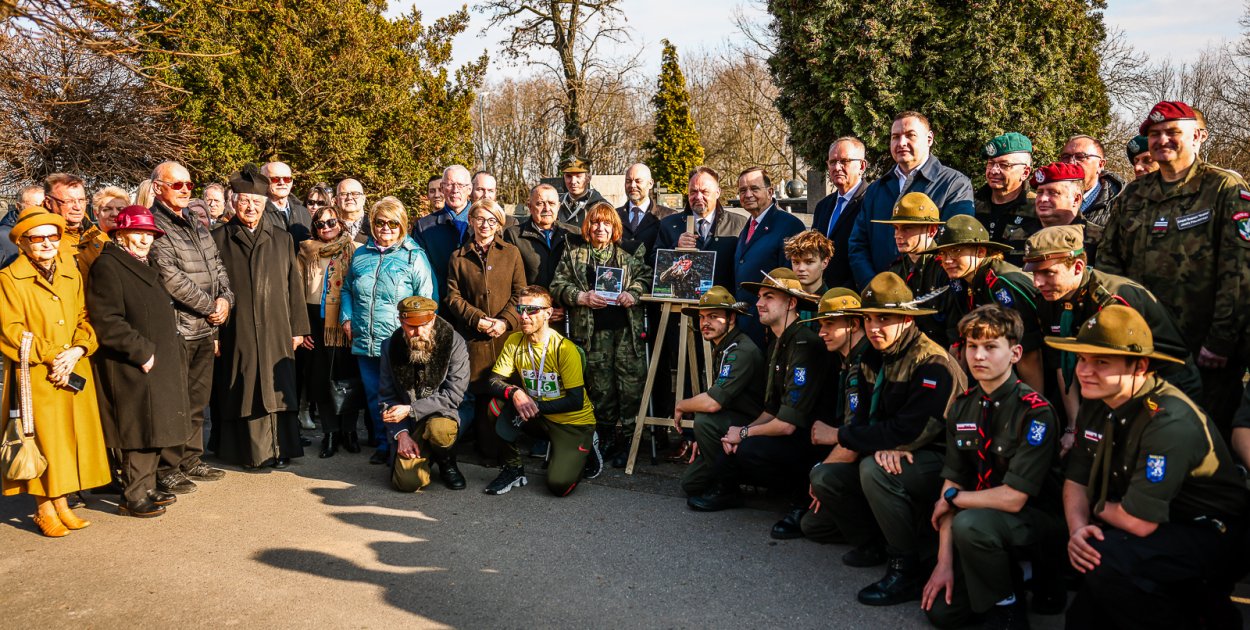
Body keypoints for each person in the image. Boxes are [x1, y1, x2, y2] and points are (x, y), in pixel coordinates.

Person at [1051, 305, 1248, 627]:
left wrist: (1095, 510)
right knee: (1083, 617)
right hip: (1142, 520)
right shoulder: (1097, 402)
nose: (1085, 371)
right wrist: (1077, 530)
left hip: (1208, 531)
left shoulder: (1168, 421)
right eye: (1083, 359)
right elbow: (1077, 477)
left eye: (1101, 362)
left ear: (1140, 366)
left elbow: (1139, 523)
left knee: (1106, 560)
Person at [806, 271, 966, 606]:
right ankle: (873, 542)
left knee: (874, 472)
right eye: (868, 319)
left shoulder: (932, 362)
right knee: (825, 476)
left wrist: (854, 439)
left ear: (907, 319)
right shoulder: (873, 356)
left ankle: (904, 566)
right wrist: (875, 445)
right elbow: (865, 419)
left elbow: (914, 431)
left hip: (939, 459)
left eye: (885, 319)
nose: (874, 328)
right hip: (892, 449)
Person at [1101, 100, 1250, 435]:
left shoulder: (1224, 189)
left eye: (1172, 132)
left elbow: (1239, 272)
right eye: (1154, 134)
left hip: (1204, 349)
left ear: (1198, 137)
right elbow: (1109, 267)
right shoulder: (1132, 196)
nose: (1162, 140)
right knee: (1147, 432)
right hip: (1144, 344)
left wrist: (1221, 340)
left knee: (1205, 436)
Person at [921, 305, 1065, 629]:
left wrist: (954, 498)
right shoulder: (962, 407)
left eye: (990, 347)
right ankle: (1005, 574)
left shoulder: (1035, 411)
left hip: (1037, 522)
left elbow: (1014, 499)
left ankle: (1008, 609)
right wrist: (944, 561)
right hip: (983, 519)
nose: (978, 356)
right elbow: (952, 478)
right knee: (942, 615)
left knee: (971, 524)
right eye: (972, 346)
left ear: (1015, 353)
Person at [687, 268, 827, 540]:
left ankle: (800, 501)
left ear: (791, 302)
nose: (759, 303)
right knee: (729, 447)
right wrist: (741, 431)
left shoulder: (803, 343)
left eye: (769, 297)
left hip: (810, 440)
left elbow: (787, 424)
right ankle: (731, 489)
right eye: (760, 296)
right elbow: (770, 409)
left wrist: (744, 433)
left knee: (748, 447)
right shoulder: (779, 341)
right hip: (789, 431)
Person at [1024, 225, 1202, 434]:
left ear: (1078, 267)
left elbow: (1124, 371)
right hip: (1103, 381)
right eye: (1034, 273)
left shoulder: (1110, 300)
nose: (1038, 282)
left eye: (1048, 272)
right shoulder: (1050, 299)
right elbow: (1062, 364)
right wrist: (1074, 425)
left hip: (1162, 381)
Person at [0, 207, 110, 536]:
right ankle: (43, 507)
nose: (47, 243)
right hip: (35, 373)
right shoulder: (8, 279)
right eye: (38, 238)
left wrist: (78, 349)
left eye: (53, 236)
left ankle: (61, 501)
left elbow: (84, 315)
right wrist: (53, 356)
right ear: (23, 243)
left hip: (74, 367)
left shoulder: (69, 272)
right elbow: (10, 329)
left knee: (68, 440)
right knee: (42, 440)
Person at [86, 205, 190, 518]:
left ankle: (146, 486)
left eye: (148, 233)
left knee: (153, 427)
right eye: (137, 232)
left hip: (157, 359)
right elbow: (107, 319)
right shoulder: (109, 265)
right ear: (120, 233)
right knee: (136, 431)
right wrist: (140, 351)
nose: (144, 239)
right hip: (133, 362)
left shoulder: (140, 262)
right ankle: (134, 495)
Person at [211, 164, 310, 470]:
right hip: (236, 327)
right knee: (244, 385)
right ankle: (250, 453)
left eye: (256, 202)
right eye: (244, 201)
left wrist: (298, 329)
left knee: (277, 385)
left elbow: (294, 285)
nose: (250, 206)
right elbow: (211, 287)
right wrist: (214, 334)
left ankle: (281, 449)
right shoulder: (218, 238)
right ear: (233, 202)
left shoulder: (281, 238)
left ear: (265, 204)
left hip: (278, 326)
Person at [149, 160, 231, 493]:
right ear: (158, 188)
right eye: (177, 184)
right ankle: (167, 466)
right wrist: (211, 306)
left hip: (205, 327)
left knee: (197, 399)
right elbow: (171, 278)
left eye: (188, 184)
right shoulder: (154, 224)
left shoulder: (196, 222)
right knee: (175, 401)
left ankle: (190, 458)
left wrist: (226, 299)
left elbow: (218, 266)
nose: (185, 190)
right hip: (178, 327)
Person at [551, 201, 651, 470]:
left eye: (607, 223)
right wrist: (580, 296)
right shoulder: (574, 254)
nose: (600, 228)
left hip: (626, 335)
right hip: (593, 334)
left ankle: (630, 441)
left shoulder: (629, 253)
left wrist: (633, 293)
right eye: (595, 222)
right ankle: (605, 437)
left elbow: (648, 278)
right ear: (587, 226)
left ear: (615, 227)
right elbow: (557, 285)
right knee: (601, 389)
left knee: (630, 387)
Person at [341, 196, 437, 465]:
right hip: (365, 338)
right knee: (374, 397)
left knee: (401, 396)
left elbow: (426, 300)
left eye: (393, 223)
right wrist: (346, 318)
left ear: (402, 225)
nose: (386, 228)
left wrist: (417, 335)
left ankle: (404, 443)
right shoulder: (361, 255)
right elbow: (347, 288)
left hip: (397, 341)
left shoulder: (414, 257)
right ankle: (384, 445)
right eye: (380, 222)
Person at [483, 286, 598, 497]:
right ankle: (513, 469)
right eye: (520, 309)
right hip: (538, 415)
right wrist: (515, 393)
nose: (524, 316)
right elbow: (493, 381)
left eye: (532, 310)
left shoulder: (564, 349)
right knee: (495, 405)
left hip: (571, 422)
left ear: (548, 313)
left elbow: (575, 401)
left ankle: (585, 448)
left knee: (559, 486)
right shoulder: (514, 341)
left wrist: (533, 405)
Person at [849, 111, 975, 287]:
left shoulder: (954, 184)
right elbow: (858, 245)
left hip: (932, 295)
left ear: (929, 139)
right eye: (895, 137)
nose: (901, 143)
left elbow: (955, 244)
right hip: (882, 299)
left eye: (910, 135)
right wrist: (875, 287)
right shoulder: (876, 189)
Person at [444, 199, 525, 468]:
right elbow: (452, 297)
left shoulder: (511, 253)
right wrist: (477, 319)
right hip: (474, 337)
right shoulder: (458, 256)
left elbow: (520, 293)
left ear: (499, 224)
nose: (485, 225)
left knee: (504, 391)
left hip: (505, 337)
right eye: (479, 218)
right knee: (478, 392)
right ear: (471, 221)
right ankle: (484, 450)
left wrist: (504, 321)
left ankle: (508, 449)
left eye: (492, 220)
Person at [929, 214, 1045, 393]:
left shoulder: (1001, 282)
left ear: (981, 252)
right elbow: (957, 343)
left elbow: (1029, 352)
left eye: (957, 251)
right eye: (943, 253)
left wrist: (1033, 406)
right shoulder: (960, 281)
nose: (947, 260)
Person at [673, 286, 765, 496]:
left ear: (731, 318)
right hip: (733, 418)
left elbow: (713, 402)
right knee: (691, 484)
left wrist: (681, 405)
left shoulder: (741, 350)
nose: (705, 323)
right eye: (702, 317)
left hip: (752, 423)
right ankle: (724, 473)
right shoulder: (724, 346)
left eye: (714, 316)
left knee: (705, 421)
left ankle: (728, 488)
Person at [799, 287, 873, 543]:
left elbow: (853, 441)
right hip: (860, 454)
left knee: (822, 478)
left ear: (853, 324)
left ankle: (871, 541)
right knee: (812, 525)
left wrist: (820, 474)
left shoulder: (864, 363)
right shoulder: (849, 359)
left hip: (873, 460)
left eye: (830, 324)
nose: (821, 333)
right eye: (820, 325)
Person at [378, 296, 469, 492]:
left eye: (424, 325)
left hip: (441, 414)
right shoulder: (389, 347)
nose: (418, 332)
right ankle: (423, 457)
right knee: (407, 483)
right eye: (411, 326)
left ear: (433, 319)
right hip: (409, 423)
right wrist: (401, 435)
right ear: (401, 322)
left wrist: (411, 409)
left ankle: (447, 463)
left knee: (440, 430)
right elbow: (387, 398)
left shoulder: (454, 342)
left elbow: (454, 394)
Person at [297, 203, 363, 458]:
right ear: (314, 228)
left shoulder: (355, 250)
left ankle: (349, 431)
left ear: (341, 223)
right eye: (320, 224)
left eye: (331, 222)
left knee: (348, 377)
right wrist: (301, 329)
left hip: (346, 319)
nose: (326, 227)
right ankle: (330, 432)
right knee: (321, 379)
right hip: (315, 319)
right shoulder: (306, 252)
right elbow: (296, 292)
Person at [732, 167, 807, 345]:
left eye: (754, 189)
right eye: (743, 190)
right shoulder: (747, 227)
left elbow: (791, 281)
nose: (748, 194)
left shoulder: (789, 226)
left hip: (772, 329)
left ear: (770, 192)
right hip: (746, 325)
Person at [654, 165, 746, 291]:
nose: (698, 197)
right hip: (682, 305)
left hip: (722, 305)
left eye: (704, 192)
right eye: (693, 192)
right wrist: (675, 248)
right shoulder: (669, 225)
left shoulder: (739, 224)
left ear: (718, 192)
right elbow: (654, 264)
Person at [877, 192, 949, 346]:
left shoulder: (945, 267)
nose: (897, 235)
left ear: (931, 230)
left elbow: (955, 324)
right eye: (896, 228)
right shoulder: (896, 270)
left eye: (907, 228)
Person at [812, 137, 869, 289]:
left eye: (844, 161)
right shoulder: (822, 207)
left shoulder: (871, 202)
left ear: (862, 166)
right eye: (832, 162)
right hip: (823, 294)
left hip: (855, 296)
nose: (837, 167)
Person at [973, 132, 1037, 265]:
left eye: (1004, 165)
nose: (994, 170)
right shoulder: (972, 205)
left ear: (1025, 173)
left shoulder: (1037, 210)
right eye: (991, 163)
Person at [413, 164, 473, 299]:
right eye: (449, 184)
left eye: (461, 185)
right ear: (442, 188)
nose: (455, 190)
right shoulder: (424, 227)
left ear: (469, 189)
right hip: (442, 302)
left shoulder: (485, 222)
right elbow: (422, 271)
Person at [1030, 162, 1101, 263]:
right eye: (1040, 192)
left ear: (1076, 199)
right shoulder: (1020, 231)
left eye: (1053, 192)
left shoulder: (1098, 240)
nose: (1043, 199)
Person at [1058, 134, 1123, 230]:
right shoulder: (1045, 199)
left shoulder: (1121, 205)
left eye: (1080, 157)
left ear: (1100, 165)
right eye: (1066, 156)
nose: (1071, 162)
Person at [617, 162, 678, 256]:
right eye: (628, 181)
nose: (632, 185)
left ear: (650, 184)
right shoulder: (614, 215)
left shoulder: (669, 217)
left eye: (638, 181)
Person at [76, 186, 129, 276]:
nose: (115, 214)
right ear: (96, 213)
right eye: (107, 209)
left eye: (120, 209)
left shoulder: (138, 239)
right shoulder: (87, 245)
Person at [261, 161, 312, 244]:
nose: (282, 183)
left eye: (287, 179)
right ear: (264, 182)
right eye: (275, 179)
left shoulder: (303, 212)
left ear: (291, 182)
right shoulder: (258, 213)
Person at [42, 173, 92, 250]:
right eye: (69, 201)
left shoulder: (97, 236)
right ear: (48, 202)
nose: (78, 207)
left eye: (81, 200)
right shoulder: (40, 242)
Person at [0, 184, 45, 268]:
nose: (42, 210)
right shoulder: (3, 236)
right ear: (18, 206)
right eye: (37, 206)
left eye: (44, 206)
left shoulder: (49, 231)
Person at [557, 156, 607, 225]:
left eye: (578, 176)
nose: (573, 181)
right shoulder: (556, 205)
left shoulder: (601, 206)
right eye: (569, 176)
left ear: (588, 178)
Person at [335, 178, 369, 243]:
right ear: (336, 200)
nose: (349, 198)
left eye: (355, 194)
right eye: (343, 194)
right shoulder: (328, 226)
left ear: (363, 199)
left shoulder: (375, 225)